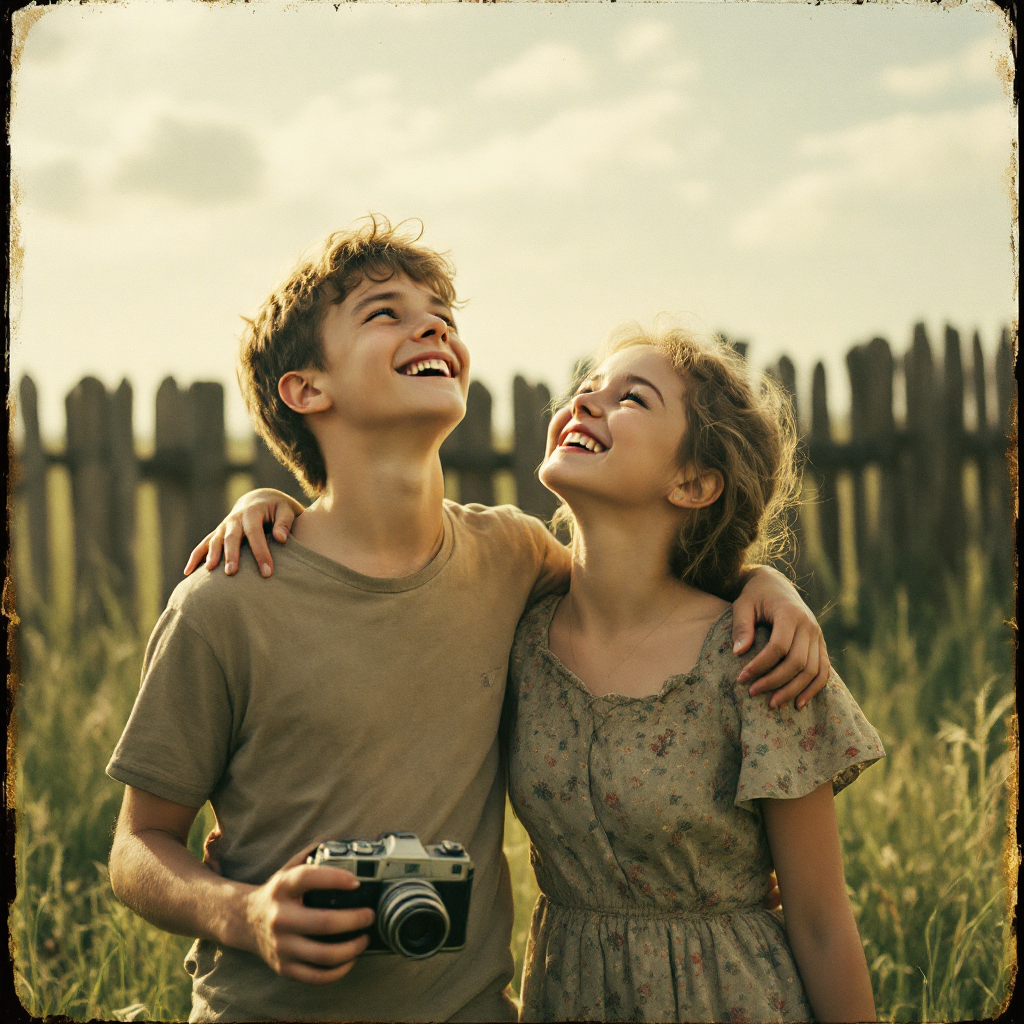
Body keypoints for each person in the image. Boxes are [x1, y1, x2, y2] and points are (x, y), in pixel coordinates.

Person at [107, 215, 831, 1023]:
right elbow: (137, 846)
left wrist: (763, 582)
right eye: (385, 311)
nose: (434, 323)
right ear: (307, 389)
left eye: (442, 310)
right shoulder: (228, 601)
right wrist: (241, 915)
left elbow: (649, 587)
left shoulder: (512, 559)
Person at [505, 323, 882, 1022]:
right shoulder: (518, 636)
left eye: (631, 398)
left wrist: (765, 581)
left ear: (694, 482)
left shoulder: (758, 655)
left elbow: (823, 921)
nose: (584, 402)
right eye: (586, 388)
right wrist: (267, 505)